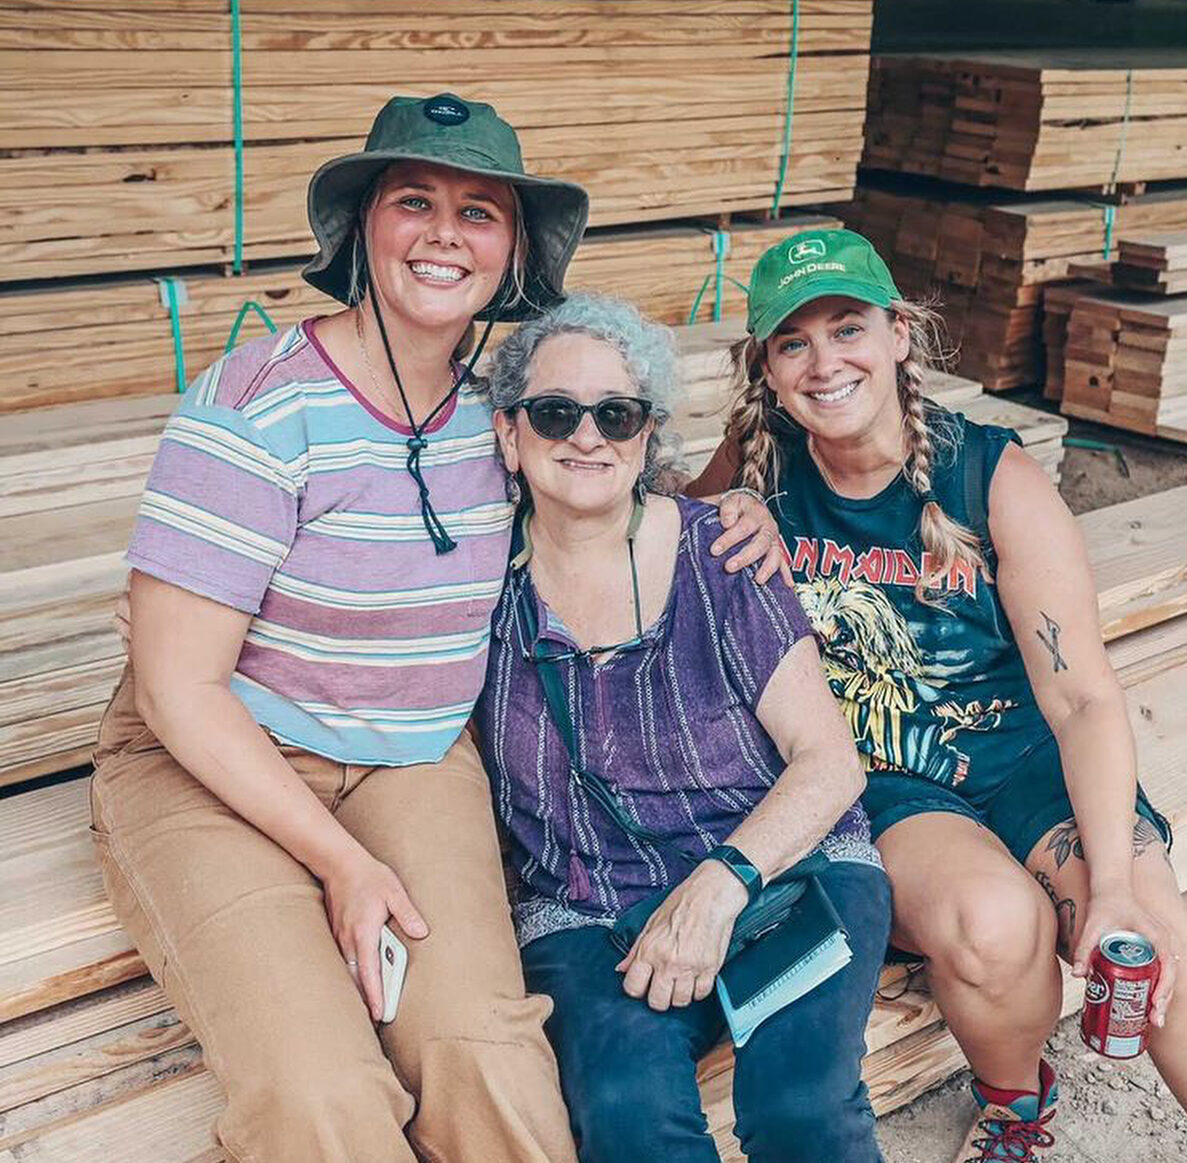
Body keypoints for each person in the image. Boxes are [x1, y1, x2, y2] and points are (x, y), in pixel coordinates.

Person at [96, 95, 785, 1162]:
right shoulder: (254, 406)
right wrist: (339, 862)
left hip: (413, 759)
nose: (444, 234)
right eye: (414, 201)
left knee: (488, 1060)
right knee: (322, 1096)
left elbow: (614, 493)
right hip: (214, 761)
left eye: (480, 212)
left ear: (512, 252)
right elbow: (177, 686)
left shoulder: (512, 414)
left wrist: (730, 508)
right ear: (362, 228)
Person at [689, 227, 1187, 1162]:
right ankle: (1015, 1103)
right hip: (889, 778)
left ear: (898, 336)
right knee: (997, 923)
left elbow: (1084, 698)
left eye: (847, 328)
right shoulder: (756, 462)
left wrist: (1117, 888)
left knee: (1156, 939)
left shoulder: (990, 472)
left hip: (1027, 758)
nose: (824, 361)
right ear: (764, 367)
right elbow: (668, 549)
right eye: (792, 342)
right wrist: (725, 514)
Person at [477, 293, 892, 1163]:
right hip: (592, 901)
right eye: (555, 412)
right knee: (627, 1115)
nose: (586, 436)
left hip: (781, 863)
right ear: (510, 434)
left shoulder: (724, 553)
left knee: (800, 1107)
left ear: (646, 436)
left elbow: (829, 764)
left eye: (616, 415)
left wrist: (721, 881)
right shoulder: (466, 587)